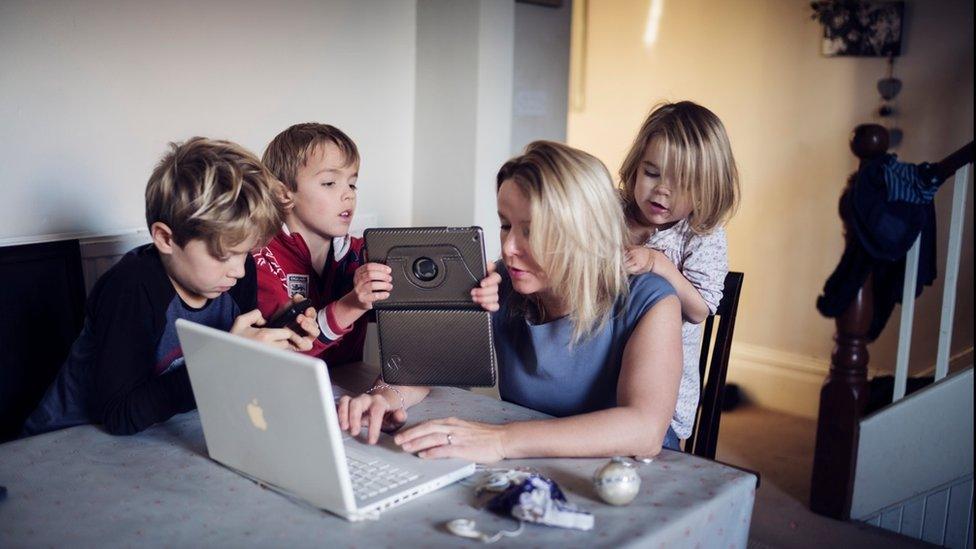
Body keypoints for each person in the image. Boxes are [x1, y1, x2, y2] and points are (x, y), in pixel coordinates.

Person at [339, 141, 683, 462]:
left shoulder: (651, 301)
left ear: (584, 230)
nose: (508, 247)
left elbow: (644, 430)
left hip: (630, 473)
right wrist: (383, 398)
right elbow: (428, 365)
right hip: (537, 465)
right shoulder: (503, 285)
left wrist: (503, 440)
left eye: (530, 231)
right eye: (506, 225)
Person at [22, 137, 319, 436]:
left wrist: (276, 333)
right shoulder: (132, 287)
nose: (239, 271)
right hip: (63, 441)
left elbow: (230, 374)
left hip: (158, 433)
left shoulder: (235, 274)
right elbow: (118, 415)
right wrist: (226, 359)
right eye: (222, 255)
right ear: (166, 239)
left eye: (246, 253)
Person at [255, 123, 500, 431]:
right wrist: (353, 303)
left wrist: (470, 291)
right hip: (276, 407)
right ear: (283, 194)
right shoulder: (258, 258)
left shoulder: (364, 254)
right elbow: (281, 354)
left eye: (353, 184)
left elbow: (420, 339)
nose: (347, 195)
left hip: (345, 398)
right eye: (330, 183)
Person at [619, 101, 740, 442]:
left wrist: (659, 265)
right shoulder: (611, 213)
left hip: (659, 395)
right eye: (652, 173)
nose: (662, 190)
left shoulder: (700, 234)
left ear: (707, 188)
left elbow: (701, 309)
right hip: (596, 379)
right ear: (635, 167)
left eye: (681, 182)